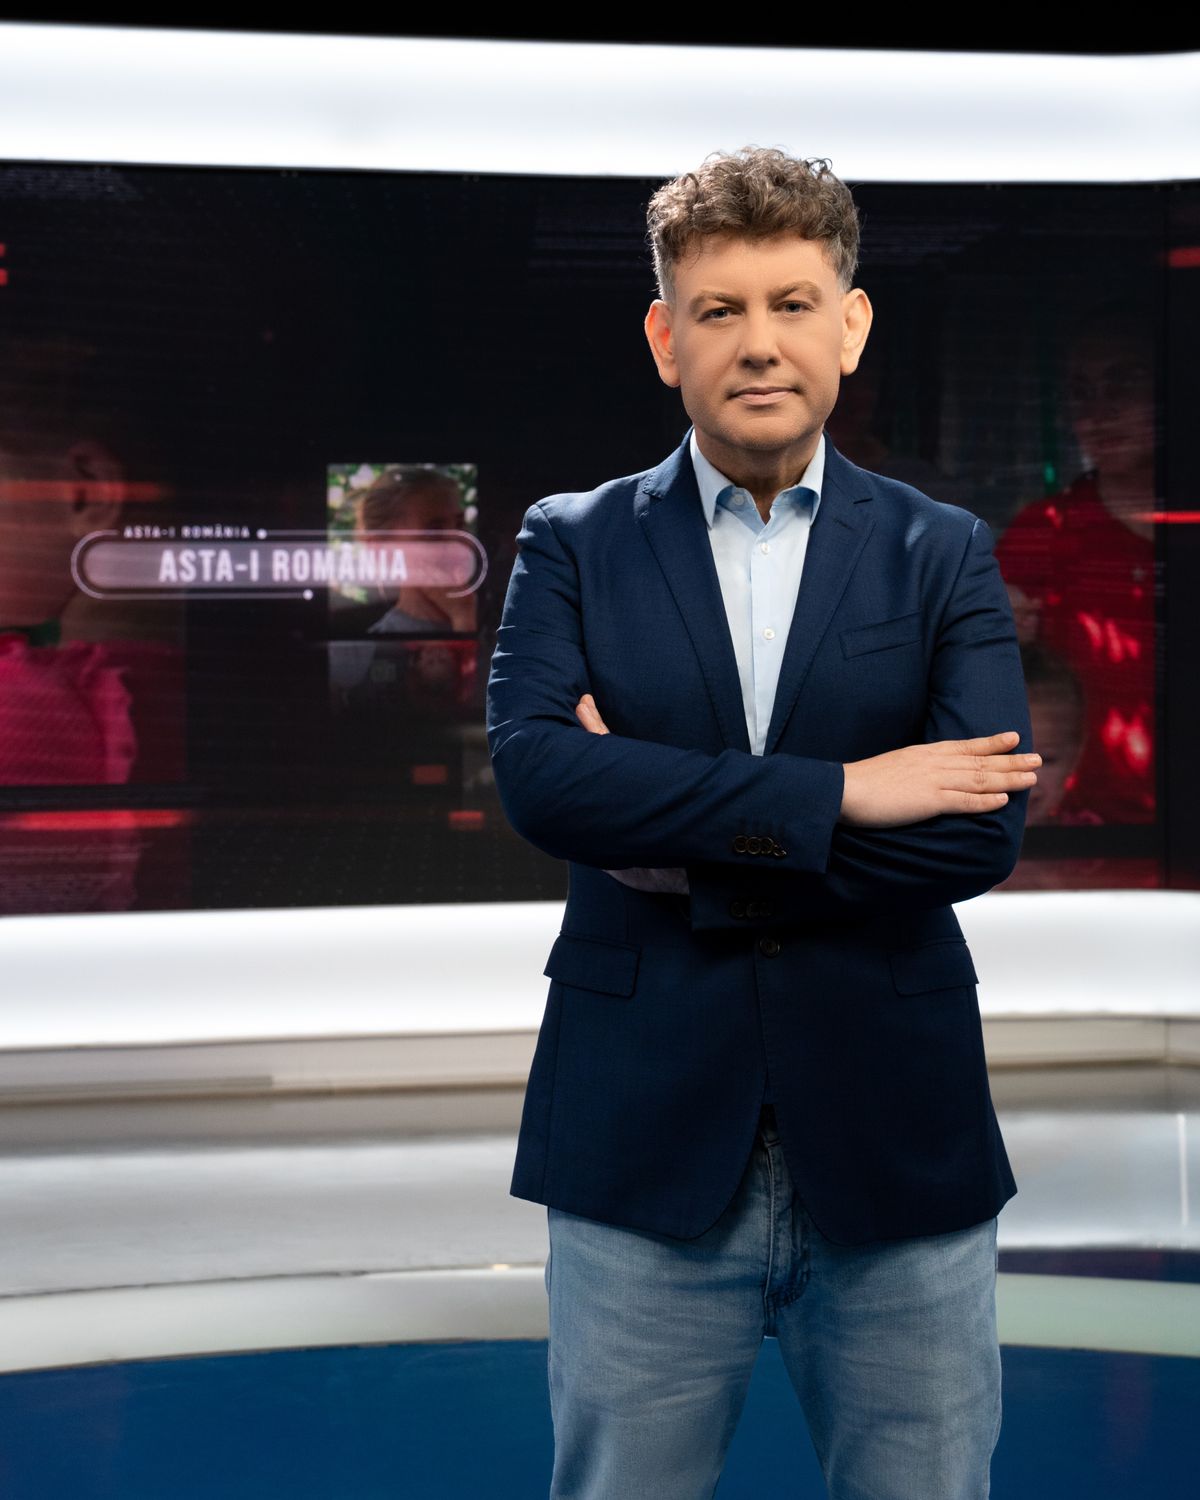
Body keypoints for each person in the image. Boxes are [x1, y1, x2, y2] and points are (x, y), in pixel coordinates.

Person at [486, 146, 1040, 1500]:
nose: (758, 343)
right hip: (641, 1144)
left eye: (793, 304)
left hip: (896, 1144)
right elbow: (545, 783)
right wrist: (847, 793)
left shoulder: (941, 551)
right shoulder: (573, 542)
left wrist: (679, 850)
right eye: (719, 309)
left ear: (850, 325)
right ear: (665, 338)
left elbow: (975, 832)